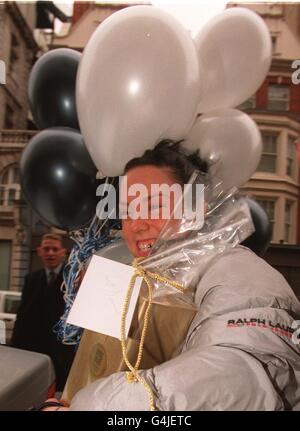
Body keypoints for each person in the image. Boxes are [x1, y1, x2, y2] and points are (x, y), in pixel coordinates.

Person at [43, 140, 300, 411]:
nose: (137, 225)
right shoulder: (129, 279)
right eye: (128, 211)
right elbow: (95, 367)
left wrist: (90, 406)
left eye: (153, 206)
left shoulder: (240, 271)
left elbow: (242, 377)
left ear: (196, 208)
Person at [11, 233, 75, 392]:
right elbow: (23, 316)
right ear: (39, 251)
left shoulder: (73, 280)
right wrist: (15, 348)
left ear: (63, 252)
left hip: (62, 355)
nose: (51, 253)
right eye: (47, 249)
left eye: (55, 249)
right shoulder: (31, 279)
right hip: (34, 354)